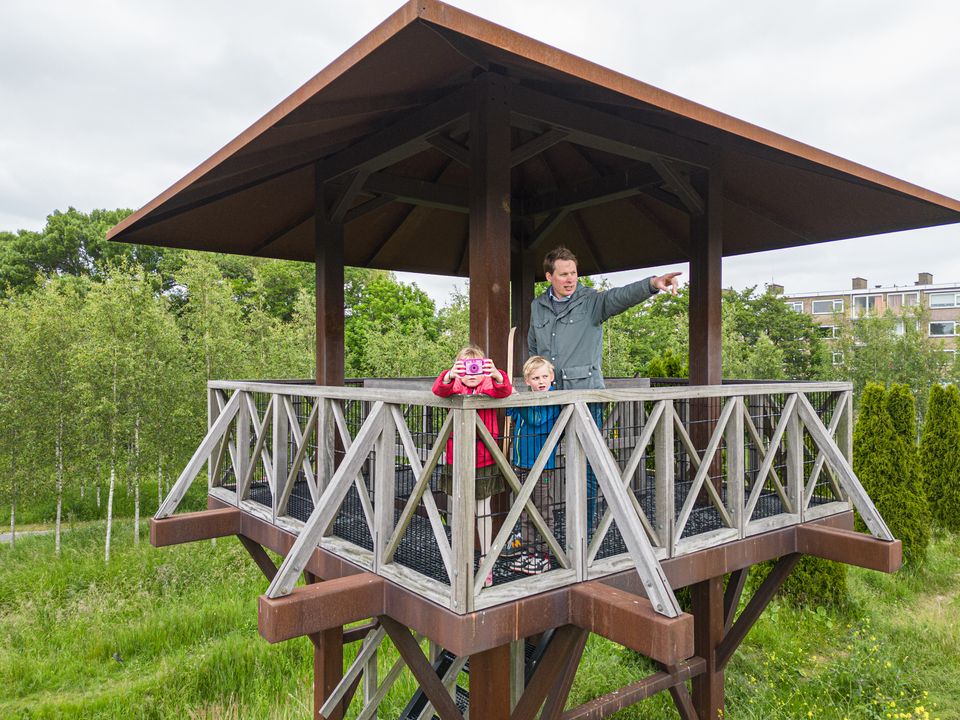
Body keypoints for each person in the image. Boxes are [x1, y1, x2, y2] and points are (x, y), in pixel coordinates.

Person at [527, 246, 681, 531]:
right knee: (538, 463)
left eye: (573, 273)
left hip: (586, 398)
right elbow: (533, 348)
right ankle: (539, 534)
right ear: (550, 276)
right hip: (547, 397)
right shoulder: (538, 306)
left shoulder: (591, 302)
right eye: (563, 274)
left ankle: (583, 532)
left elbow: (620, 297)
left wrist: (652, 285)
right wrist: (534, 379)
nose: (570, 279)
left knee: (587, 466)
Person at [432, 344, 513, 586]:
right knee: (458, 508)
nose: (472, 372)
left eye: (477, 367)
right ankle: (459, 559)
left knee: (483, 509)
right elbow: (438, 389)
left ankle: (485, 560)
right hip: (457, 457)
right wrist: (450, 374)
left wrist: (497, 374)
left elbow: (505, 390)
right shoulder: (454, 385)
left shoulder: (489, 385)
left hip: (484, 459)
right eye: (466, 368)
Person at [506, 356, 560, 575]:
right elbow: (510, 412)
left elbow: (536, 418)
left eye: (544, 376)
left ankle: (543, 554)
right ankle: (529, 552)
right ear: (527, 380)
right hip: (521, 464)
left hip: (541, 466)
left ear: (552, 377)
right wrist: (508, 395)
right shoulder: (526, 399)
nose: (541, 381)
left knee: (543, 511)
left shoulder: (551, 400)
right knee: (525, 511)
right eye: (535, 377)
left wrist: (519, 400)